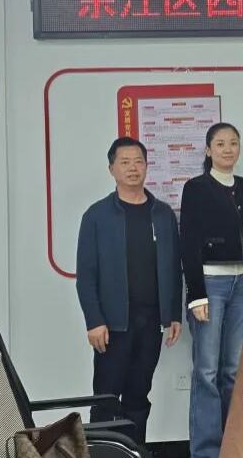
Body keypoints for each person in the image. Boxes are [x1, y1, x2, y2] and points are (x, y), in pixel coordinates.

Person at [75, 137, 182, 444]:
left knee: (139, 395)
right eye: (125, 162)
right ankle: (103, 451)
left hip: (151, 321)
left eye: (138, 162)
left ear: (147, 166)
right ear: (112, 169)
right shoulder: (97, 215)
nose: (133, 168)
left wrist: (173, 313)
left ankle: (135, 450)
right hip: (112, 324)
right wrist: (94, 320)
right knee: (106, 398)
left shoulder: (162, 213)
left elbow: (173, 267)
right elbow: (86, 275)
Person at [179, 123, 243, 458]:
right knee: (207, 371)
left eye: (233, 143)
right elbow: (188, 241)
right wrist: (196, 294)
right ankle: (206, 451)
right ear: (208, 150)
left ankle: (234, 444)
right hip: (210, 283)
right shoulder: (196, 188)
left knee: (234, 370)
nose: (228, 149)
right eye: (221, 144)